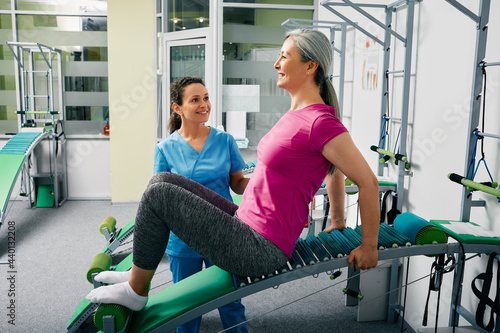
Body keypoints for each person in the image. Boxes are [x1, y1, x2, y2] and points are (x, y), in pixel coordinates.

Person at [86, 29, 380, 317]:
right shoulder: (296, 115)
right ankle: (138, 275)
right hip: (244, 222)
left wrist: (369, 246)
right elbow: (333, 170)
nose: (277, 64)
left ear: (310, 65)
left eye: (284, 56)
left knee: (160, 195)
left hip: (261, 246)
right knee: (161, 182)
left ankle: (137, 290)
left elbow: (367, 181)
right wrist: (338, 219)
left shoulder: (320, 122)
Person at [156, 76, 249, 333]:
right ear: (178, 108)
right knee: (186, 307)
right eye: (195, 99)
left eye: (206, 98)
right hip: (184, 236)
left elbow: (238, 183)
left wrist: (265, 185)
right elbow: (159, 198)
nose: (204, 104)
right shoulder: (165, 148)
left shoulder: (225, 141)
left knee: (231, 301)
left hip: (223, 232)